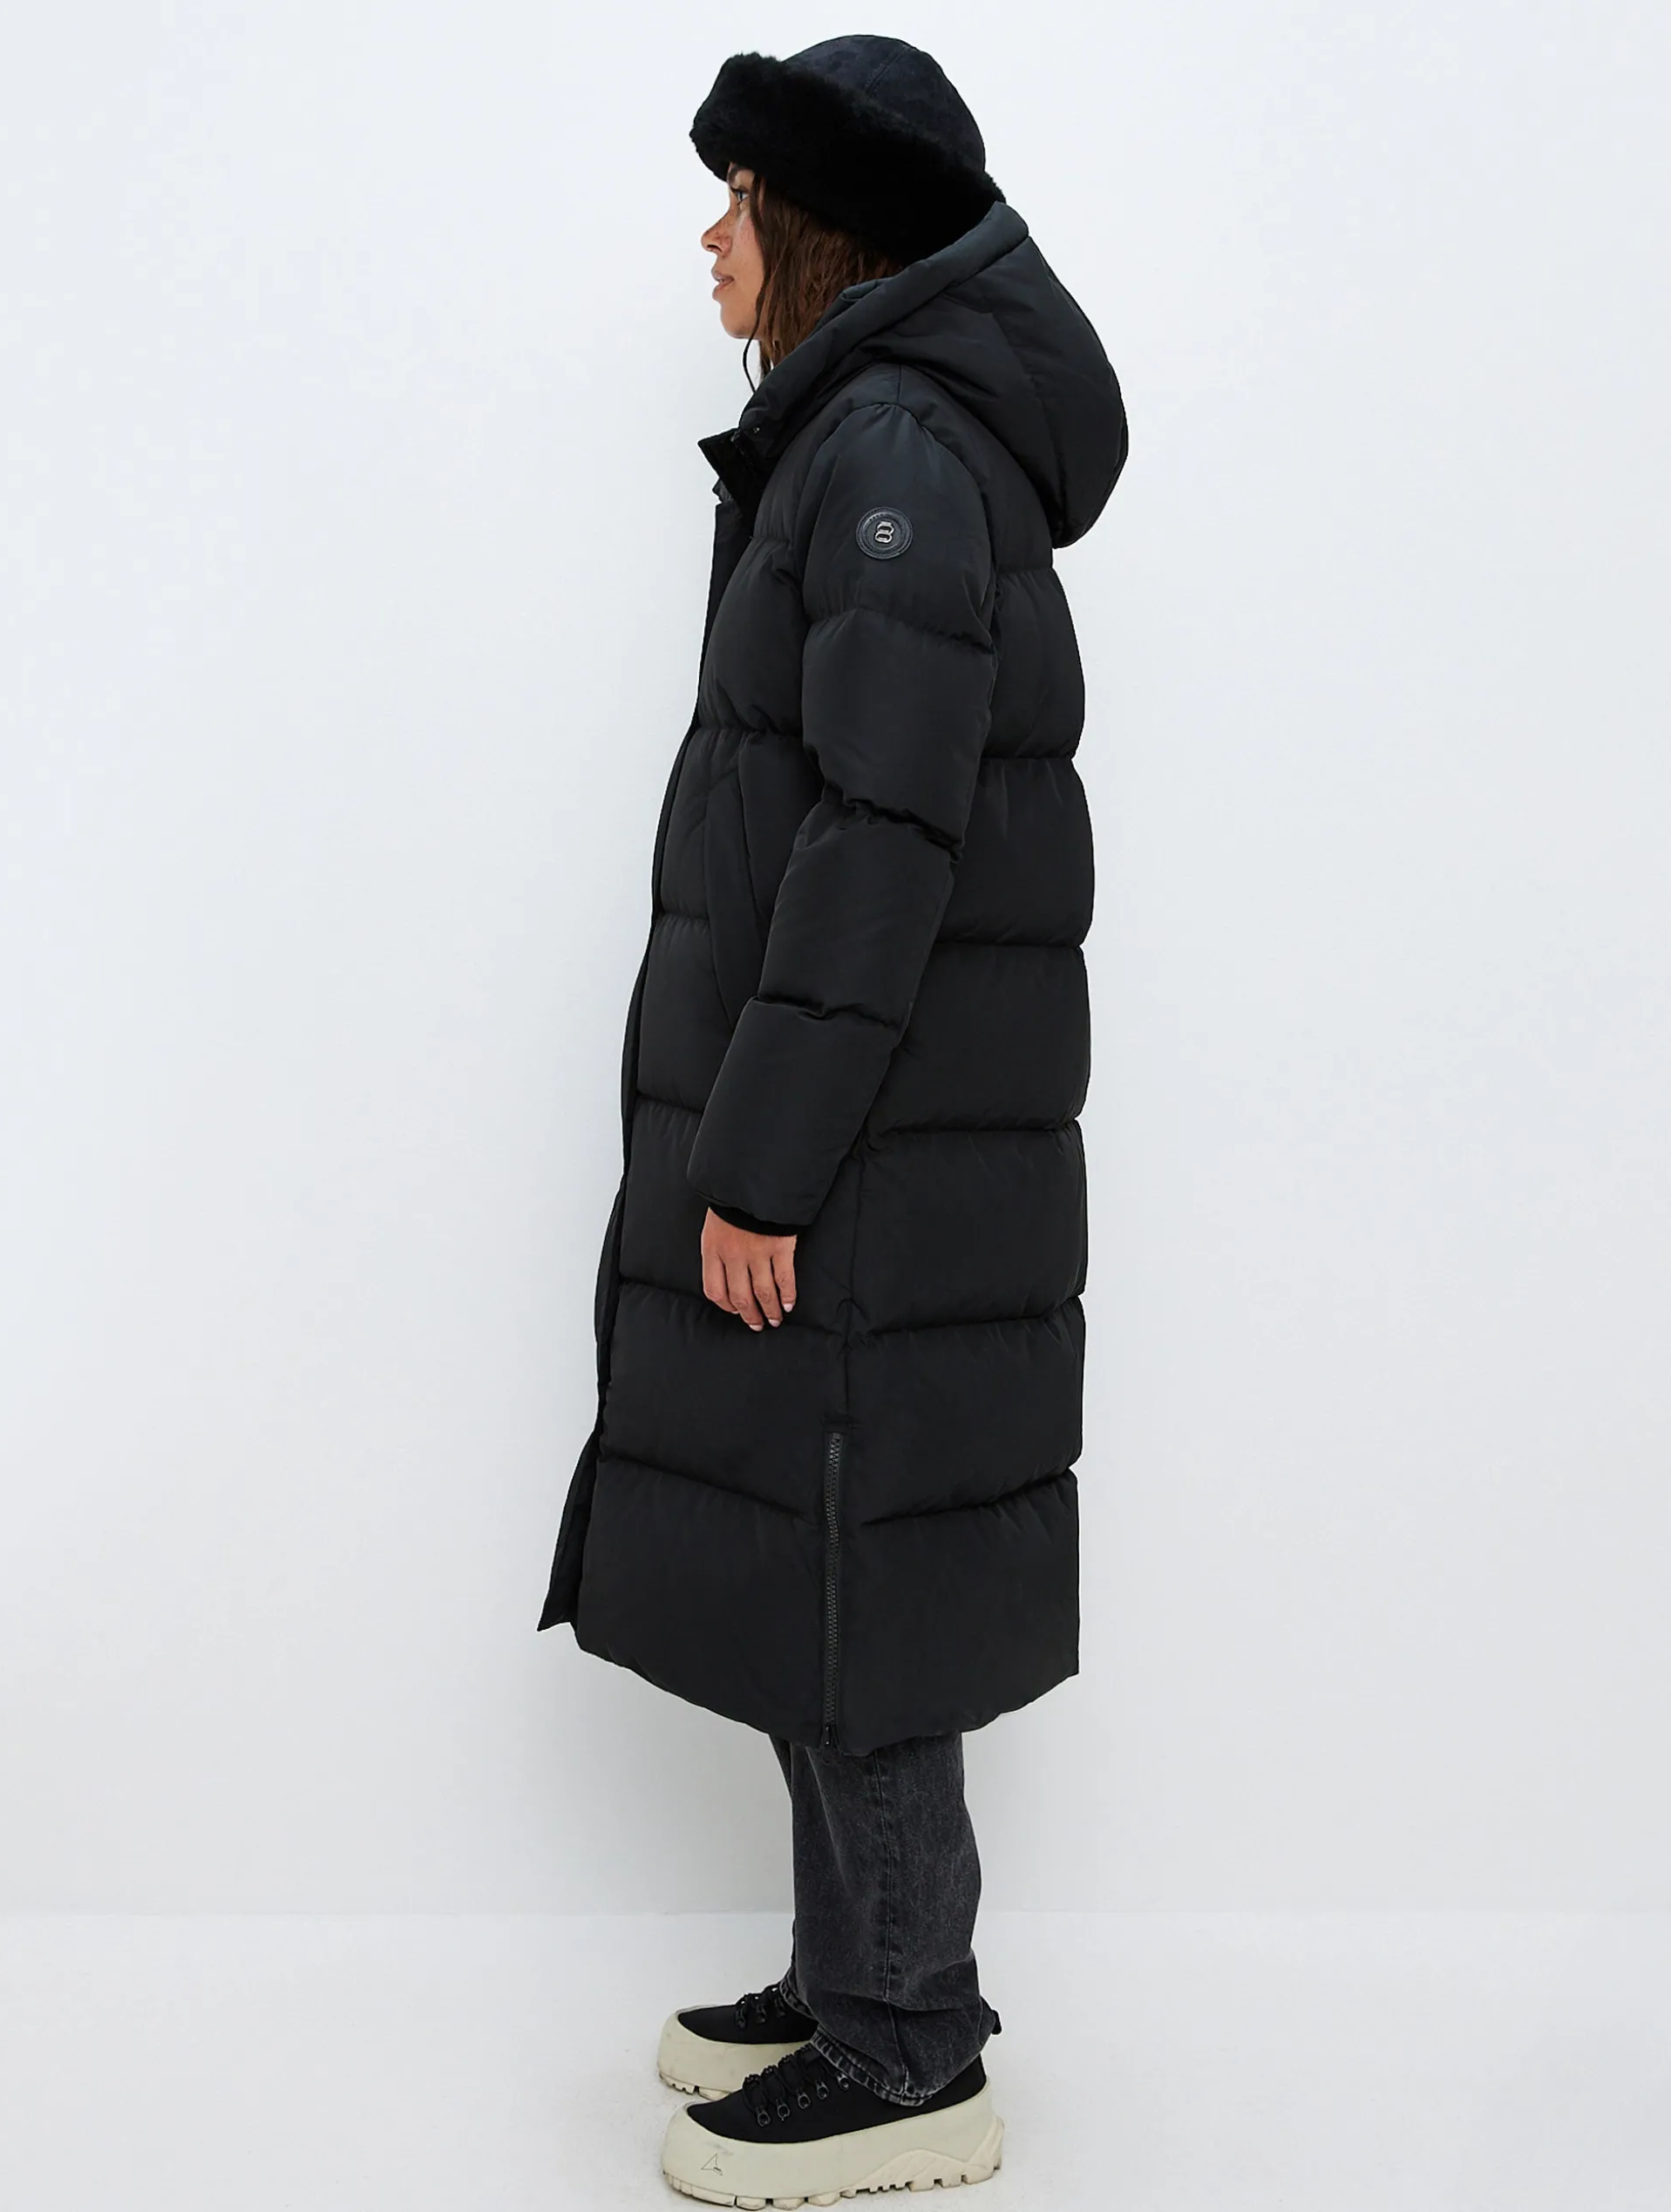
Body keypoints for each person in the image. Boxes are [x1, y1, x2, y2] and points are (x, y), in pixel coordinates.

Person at [537, 34, 1128, 2204]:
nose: (709, 237)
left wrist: (764, 1160)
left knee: (856, 1576)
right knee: (817, 1560)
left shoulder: (888, 450)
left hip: (869, 1156)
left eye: (739, 201)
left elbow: (879, 842)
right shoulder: (869, 436)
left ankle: (906, 2050)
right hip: (881, 1133)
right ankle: (852, 1966)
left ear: (826, 226)